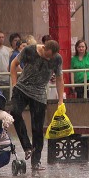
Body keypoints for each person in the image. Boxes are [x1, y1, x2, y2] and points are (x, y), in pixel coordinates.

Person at [10, 39, 64, 170]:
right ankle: (27, 147)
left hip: (39, 94)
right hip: (22, 88)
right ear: (43, 48)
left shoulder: (56, 59)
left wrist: (60, 100)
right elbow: (14, 64)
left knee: (38, 128)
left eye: (51, 57)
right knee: (14, 113)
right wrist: (14, 84)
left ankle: (36, 161)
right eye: (47, 55)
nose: (48, 59)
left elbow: (59, 78)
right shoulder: (29, 50)